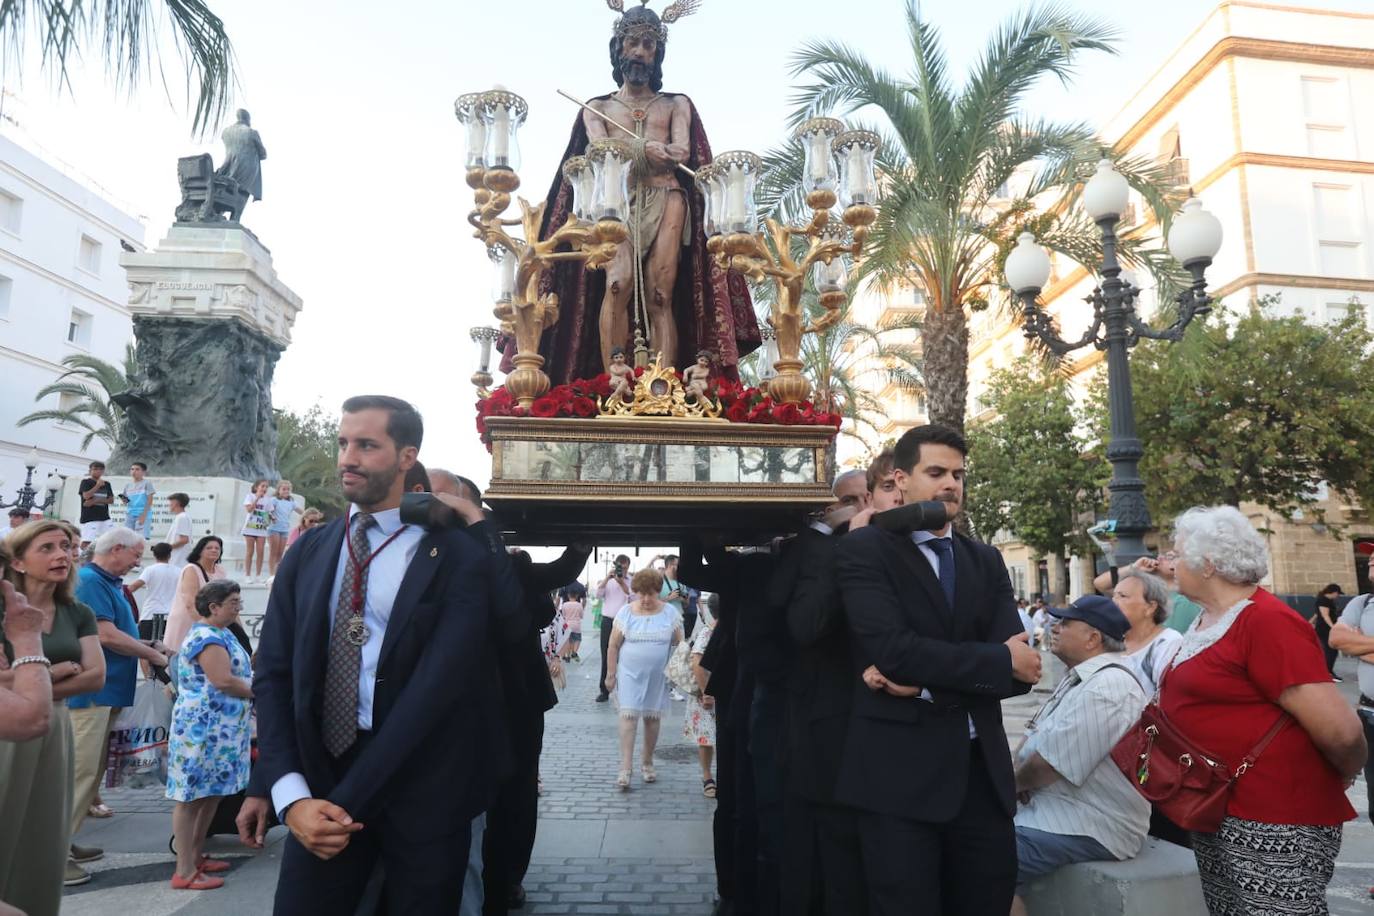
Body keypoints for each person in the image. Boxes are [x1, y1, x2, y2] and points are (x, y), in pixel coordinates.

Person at [253, 395, 507, 914]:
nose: (349, 457)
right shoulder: (310, 549)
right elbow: (273, 674)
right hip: (319, 782)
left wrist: (343, 803)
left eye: (367, 445)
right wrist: (289, 794)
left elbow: (437, 689)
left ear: (406, 456)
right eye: (344, 443)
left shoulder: (454, 555)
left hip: (423, 785)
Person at [834, 424, 1041, 916]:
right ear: (901, 480)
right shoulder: (865, 552)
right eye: (937, 472)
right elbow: (895, 652)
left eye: (958, 474)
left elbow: (1023, 670)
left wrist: (928, 688)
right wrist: (989, 662)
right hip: (897, 782)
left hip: (982, 783)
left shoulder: (985, 559)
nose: (951, 483)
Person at [504, 1, 755, 384]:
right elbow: (601, 155)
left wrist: (649, 154)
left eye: (647, 45)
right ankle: (615, 382)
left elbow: (680, 153)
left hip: (668, 197)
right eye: (632, 43)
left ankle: (660, 385)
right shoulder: (596, 108)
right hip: (614, 206)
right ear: (618, 48)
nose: (639, 52)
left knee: (659, 294)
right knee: (617, 284)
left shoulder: (676, 104)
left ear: (657, 54)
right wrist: (642, 151)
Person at [1162, 506, 1364, 914]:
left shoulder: (1267, 621)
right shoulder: (1209, 618)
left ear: (1208, 565)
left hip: (1274, 815)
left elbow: (1341, 732)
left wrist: (1343, 770)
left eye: (1176, 553)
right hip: (1220, 804)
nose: (1168, 563)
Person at [771, 450, 901, 916]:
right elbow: (802, 624)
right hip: (829, 735)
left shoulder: (915, 547)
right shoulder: (820, 552)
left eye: (879, 493)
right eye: (850, 501)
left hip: (900, 740)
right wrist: (846, 546)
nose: (864, 506)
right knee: (832, 860)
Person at [1010, 597, 1150, 916]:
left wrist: (1010, 786)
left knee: (979, 860)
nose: (1054, 628)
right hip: (1056, 813)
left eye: (1065, 623)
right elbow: (1033, 741)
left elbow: (1047, 766)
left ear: (1093, 638)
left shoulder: (1109, 687)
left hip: (1091, 824)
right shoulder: (1082, 678)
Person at [0, 521, 104, 909]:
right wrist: (51, 670)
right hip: (7, 729)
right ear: (19, 562)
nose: (62, 554)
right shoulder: (5, 609)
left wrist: (30, 681)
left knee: (43, 833)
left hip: (55, 727)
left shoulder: (77, 612)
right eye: (46, 548)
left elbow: (95, 676)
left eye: (65, 546)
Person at [66, 527, 170, 878]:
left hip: (107, 691)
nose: (138, 562)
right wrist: (151, 654)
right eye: (136, 555)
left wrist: (150, 648)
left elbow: (119, 632)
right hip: (90, 694)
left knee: (90, 774)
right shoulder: (90, 581)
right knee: (80, 772)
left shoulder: (108, 582)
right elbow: (106, 636)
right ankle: (51, 854)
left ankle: (64, 840)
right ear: (116, 549)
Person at [167, 579, 253, 890]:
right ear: (213, 607)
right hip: (203, 729)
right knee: (192, 798)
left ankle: (195, 855)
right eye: (233, 602)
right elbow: (223, 681)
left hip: (222, 729)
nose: (238, 607)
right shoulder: (207, 636)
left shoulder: (221, 632)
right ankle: (184, 869)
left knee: (211, 795)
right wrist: (262, 691)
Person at [604, 567, 682, 790]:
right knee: (628, 718)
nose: (646, 599)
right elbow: (613, 645)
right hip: (629, 674)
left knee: (652, 718)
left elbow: (680, 644)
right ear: (636, 591)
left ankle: (647, 762)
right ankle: (625, 768)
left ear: (658, 591)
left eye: (651, 593)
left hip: (658, 677)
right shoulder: (626, 612)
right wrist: (610, 675)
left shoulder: (670, 613)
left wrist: (676, 672)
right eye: (642, 593)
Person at [1328, 584, 1374, 898]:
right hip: (1371, 713)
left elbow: (1351, 643)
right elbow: (1337, 639)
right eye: (1370, 560)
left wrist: (1362, 644)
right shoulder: (1363, 602)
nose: (1372, 564)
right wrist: (1351, 641)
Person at [1094, 549, 1203, 636]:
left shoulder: (1186, 601)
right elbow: (1100, 584)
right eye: (1161, 555)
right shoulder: (1145, 588)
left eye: (1169, 557)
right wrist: (1134, 568)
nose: (1160, 558)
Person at [1112, 569, 1182, 690]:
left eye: (1122, 596)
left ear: (1150, 607)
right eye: (1114, 596)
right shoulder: (1110, 640)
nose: (1113, 602)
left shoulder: (1168, 643)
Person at [164, 536, 228, 652]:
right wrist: (208, 627)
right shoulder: (191, 569)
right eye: (209, 548)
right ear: (200, 551)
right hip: (189, 620)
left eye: (217, 548)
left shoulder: (220, 571)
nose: (214, 550)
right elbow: (190, 603)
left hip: (211, 621)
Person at [684, 605, 717, 797]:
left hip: (721, 692)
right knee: (706, 738)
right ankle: (707, 777)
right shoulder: (708, 632)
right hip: (708, 693)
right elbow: (697, 664)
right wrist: (706, 692)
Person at [595, 555, 633, 702]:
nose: (622, 569)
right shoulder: (608, 580)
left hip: (625, 622)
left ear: (628, 566)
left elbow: (633, 596)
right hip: (608, 621)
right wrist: (607, 579)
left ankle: (624, 689)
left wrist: (621, 581)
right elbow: (598, 595)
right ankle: (604, 690)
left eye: (624, 567)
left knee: (625, 656)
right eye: (620, 566)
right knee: (606, 655)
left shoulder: (631, 580)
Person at [218, 108, 266, 221]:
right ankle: (235, 218)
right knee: (244, 191)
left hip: (228, 168)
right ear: (247, 119)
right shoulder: (251, 132)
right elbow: (263, 154)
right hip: (246, 171)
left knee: (228, 191)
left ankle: (220, 212)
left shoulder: (226, 132)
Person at [129, 542, 180, 632]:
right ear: (169, 555)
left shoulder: (150, 569)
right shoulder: (179, 571)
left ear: (154, 555)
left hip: (150, 613)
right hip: (171, 615)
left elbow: (133, 587)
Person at [241, 479, 273, 583]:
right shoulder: (250, 496)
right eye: (262, 486)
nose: (264, 489)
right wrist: (257, 498)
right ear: (256, 487)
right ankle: (247, 575)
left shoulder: (268, 499)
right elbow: (249, 510)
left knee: (260, 552)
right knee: (250, 552)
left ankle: (258, 575)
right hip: (250, 527)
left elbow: (268, 513)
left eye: (266, 487)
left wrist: (272, 518)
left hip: (261, 528)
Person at [77, 460, 115, 547]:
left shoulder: (107, 484)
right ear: (90, 470)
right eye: (95, 469)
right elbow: (86, 496)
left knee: (112, 539)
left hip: (104, 517)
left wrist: (95, 501)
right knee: (87, 541)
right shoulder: (85, 482)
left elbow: (111, 500)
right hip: (89, 517)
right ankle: (84, 558)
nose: (97, 471)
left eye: (100, 469)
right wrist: (97, 485)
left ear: (103, 471)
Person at [268, 480, 300, 578]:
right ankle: (271, 574)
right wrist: (272, 516)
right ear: (279, 490)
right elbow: (268, 510)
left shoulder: (291, 502)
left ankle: (277, 573)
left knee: (280, 553)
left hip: (285, 529)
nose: (286, 491)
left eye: (288, 489)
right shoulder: (274, 500)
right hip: (274, 528)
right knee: (273, 551)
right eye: (284, 489)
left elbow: (301, 511)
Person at [1313, 583, 1343, 678]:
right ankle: (1327, 672)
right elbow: (1325, 616)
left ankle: (1327, 671)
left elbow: (1317, 614)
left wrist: (1310, 621)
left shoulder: (1326, 601)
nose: (1338, 596)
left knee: (1330, 650)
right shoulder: (1323, 601)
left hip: (1325, 628)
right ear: (1334, 592)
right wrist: (1333, 627)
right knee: (1331, 650)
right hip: (1325, 629)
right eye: (1338, 594)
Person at [120, 462, 157, 538]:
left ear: (143, 472)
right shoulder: (127, 485)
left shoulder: (147, 483)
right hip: (130, 514)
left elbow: (150, 500)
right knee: (127, 538)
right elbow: (125, 501)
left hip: (142, 514)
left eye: (137, 469)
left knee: (141, 538)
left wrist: (144, 515)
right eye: (132, 469)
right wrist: (123, 499)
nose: (134, 471)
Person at [164, 492, 194, 567]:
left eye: (171, 503)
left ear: (176, 503)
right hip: (178, 561)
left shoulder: (182, 517)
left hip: (178, 561)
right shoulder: (182, 517)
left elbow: (184, 540)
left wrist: (166, 548)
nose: (169, 505)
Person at [558, 589, 584, 661]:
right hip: (576, 625)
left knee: (568, 640)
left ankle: (567, 655)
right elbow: (581, 616)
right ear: (577, 596)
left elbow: (563, 615)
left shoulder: (564, 604)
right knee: (577, 639)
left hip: (567, 624)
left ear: (568, 596)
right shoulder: (579, 605)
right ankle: (574, 652)